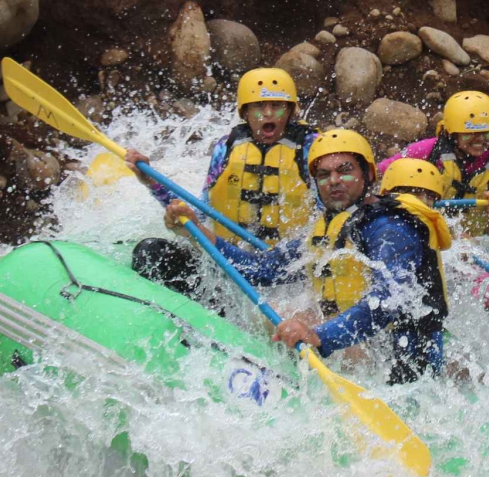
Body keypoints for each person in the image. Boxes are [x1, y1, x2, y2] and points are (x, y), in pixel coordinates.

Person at [194, 131, 453, 385]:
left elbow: (387, 302)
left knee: (293, 319)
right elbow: (262, 270)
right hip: (354, 346)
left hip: (401, 362)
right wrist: (196, 232)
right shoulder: (328, 225)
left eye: (345, 171)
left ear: (368, 174)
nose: (334, 181)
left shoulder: (389, 229)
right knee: (275, 313)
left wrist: (319, 335)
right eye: (324, 175)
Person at [125, 68, 315, 295]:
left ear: (290, 110)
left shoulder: (311, 150)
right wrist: (151, 182)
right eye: (258, 106)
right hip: (227, 262)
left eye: (277, 106)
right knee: (150, 252)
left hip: (283, 274)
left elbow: (327, 223)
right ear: (245, 112)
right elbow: (199, 212)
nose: (268, 114)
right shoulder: (227, 148)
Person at [378, 91, 489, 223]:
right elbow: (380, 172)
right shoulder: (427, 150)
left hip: (471, 239)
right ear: (452, 134)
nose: (480, 139)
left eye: (487, 133)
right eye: (470, 134)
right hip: (427, 229)